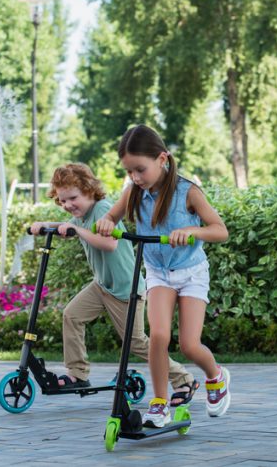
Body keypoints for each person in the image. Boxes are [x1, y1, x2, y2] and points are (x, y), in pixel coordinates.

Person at [29, 163, 198, 407]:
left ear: (89, 190)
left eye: (73, 198)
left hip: (125, 290)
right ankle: (77, 373)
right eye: (62, 201)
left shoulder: (103, 210)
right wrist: (44, 224)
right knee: (72, 315)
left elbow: (110, 244)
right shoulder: (83, 215)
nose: (68, 205)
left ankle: (183, 378)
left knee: (137, 342)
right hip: (102, 286)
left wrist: (75, 229)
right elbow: (70, 224)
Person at [95, 125, 231, 428]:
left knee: (189, 345)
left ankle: (216, 376)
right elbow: (111, 216)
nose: (135, 178)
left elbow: (219, 230)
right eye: (130, 172)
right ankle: (159, 403)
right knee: (157, 336)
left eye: (140, 170)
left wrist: (193, 231)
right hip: (158, 272)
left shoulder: (188, 192)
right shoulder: (133, 192)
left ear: (162, 159)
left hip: (191, 272)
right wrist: (105, 221)